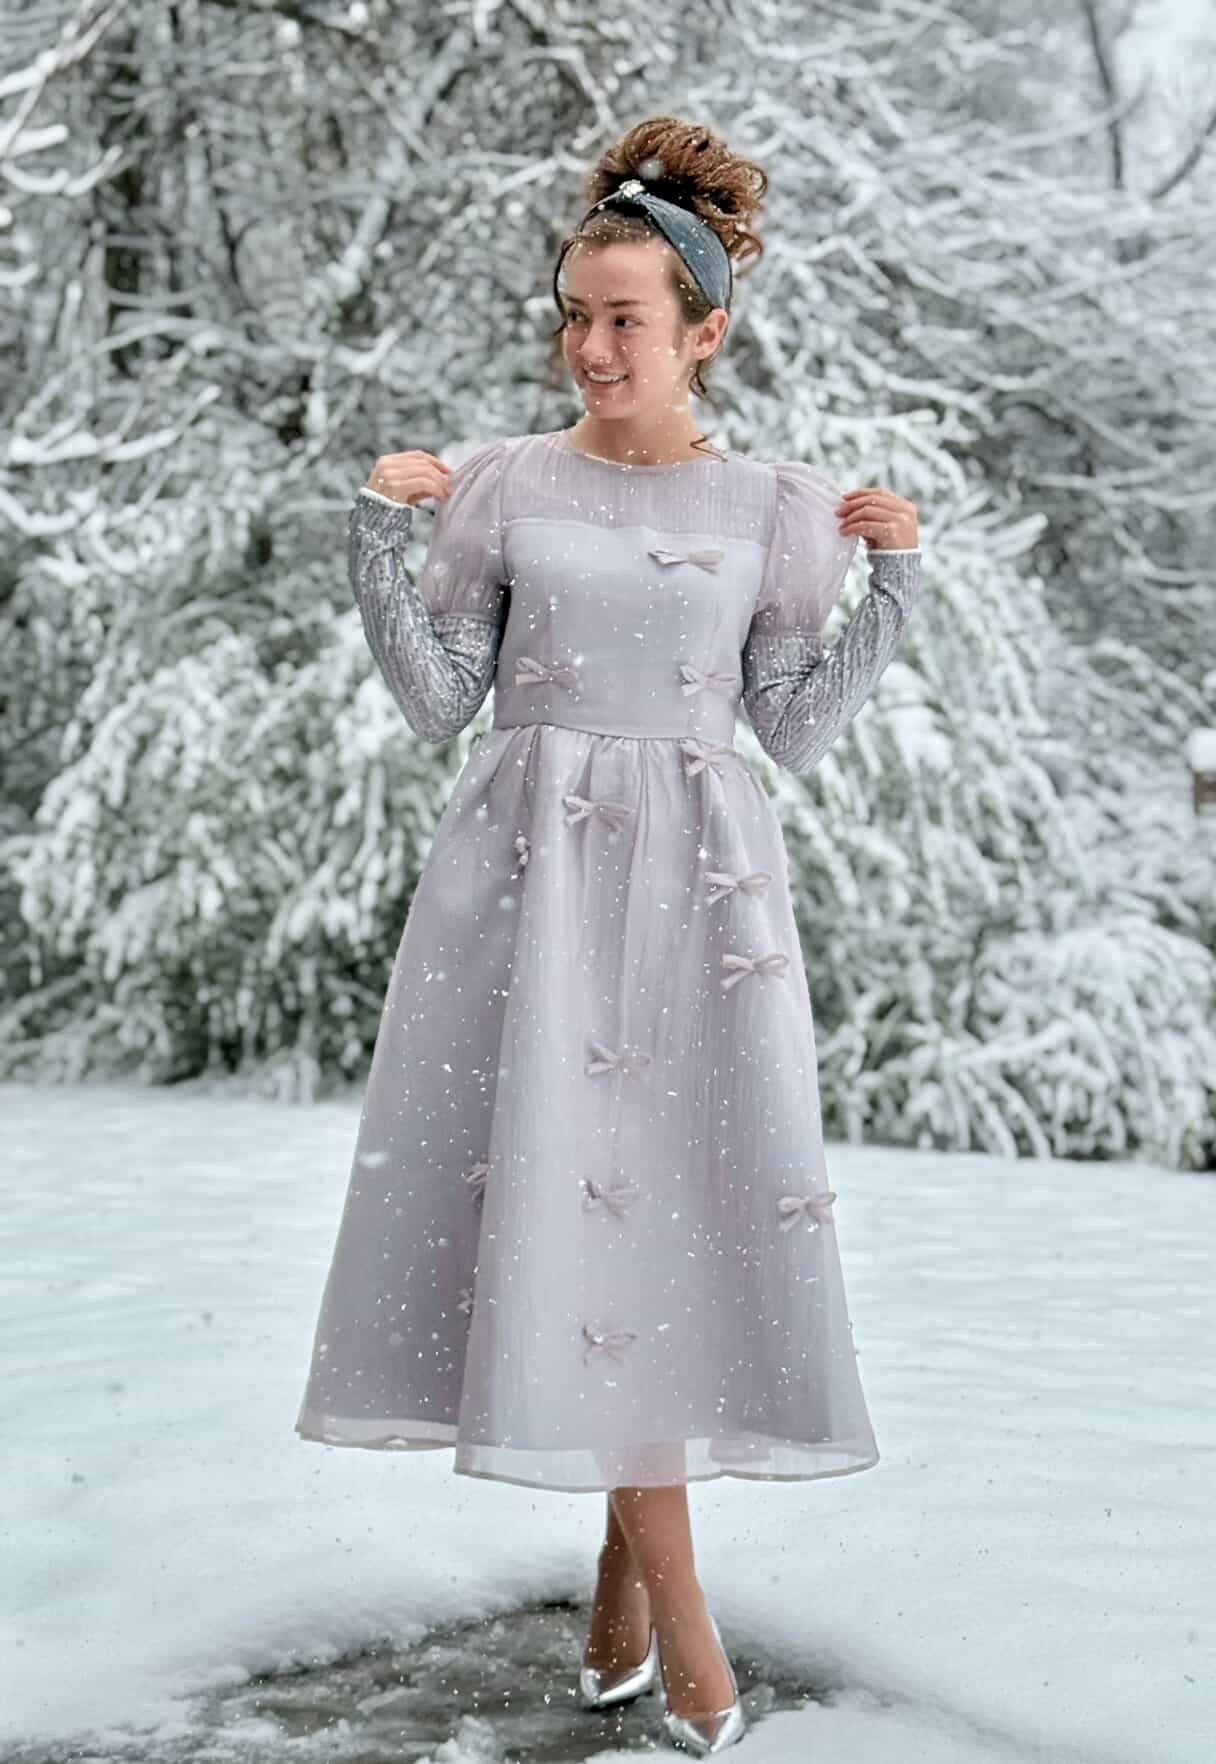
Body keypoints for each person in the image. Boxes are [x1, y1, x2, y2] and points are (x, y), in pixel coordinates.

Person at [294, 115, 922, 1756]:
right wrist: (379, 536)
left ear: (704, 330)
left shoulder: (776, 507)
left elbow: (794, 725)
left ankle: (629, 1584)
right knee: (571, 1203)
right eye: (575, 313)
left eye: (626, 318)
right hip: (530, 892)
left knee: (668, 1210)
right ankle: (685, 1623)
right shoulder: (503, 482)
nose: (591, 346)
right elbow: (438, 700)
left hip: (704, 900)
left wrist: (894, 594)